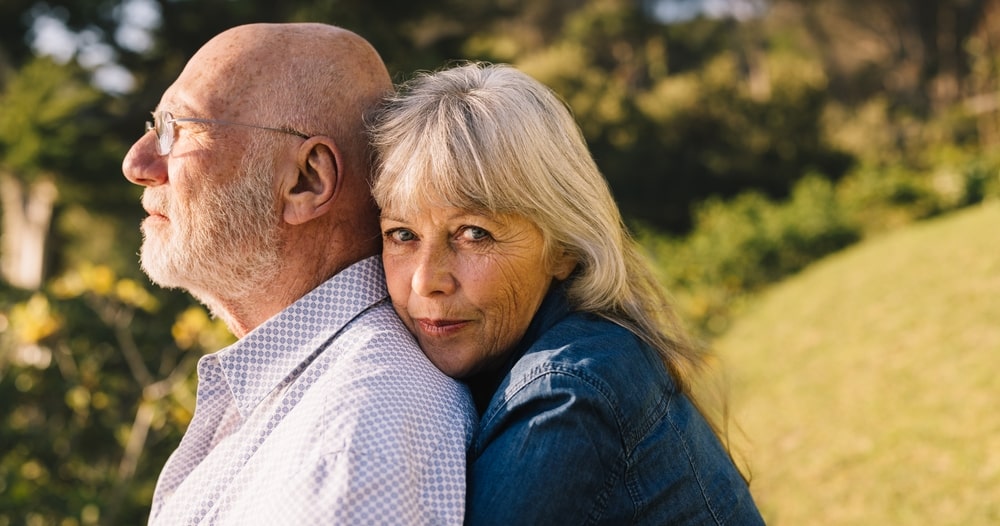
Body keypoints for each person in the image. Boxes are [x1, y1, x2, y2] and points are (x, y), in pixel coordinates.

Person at [369, 62, 765, 525]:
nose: (425, 280)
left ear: (563, 249)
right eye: (402, 234)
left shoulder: (566, 397)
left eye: (474, 233)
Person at [121, 23, 475, 525]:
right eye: (155, 124)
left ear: (307, 181)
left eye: (176, 129)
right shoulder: (324, 404)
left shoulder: (357, 439)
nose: (137, 163)